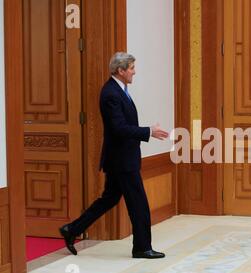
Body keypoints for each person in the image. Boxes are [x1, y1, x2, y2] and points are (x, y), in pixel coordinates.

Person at [59, 52, 169, 259]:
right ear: (120, 70)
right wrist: (148, 131)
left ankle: (71, 229)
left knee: (108, 199)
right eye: (131, 68)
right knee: (139, 204)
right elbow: (118, 128)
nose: (134, 72)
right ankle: (142, 248)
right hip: (121, 161)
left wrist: (146, 132)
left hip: (122, 158)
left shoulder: (121, 90)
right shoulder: (110, 93)